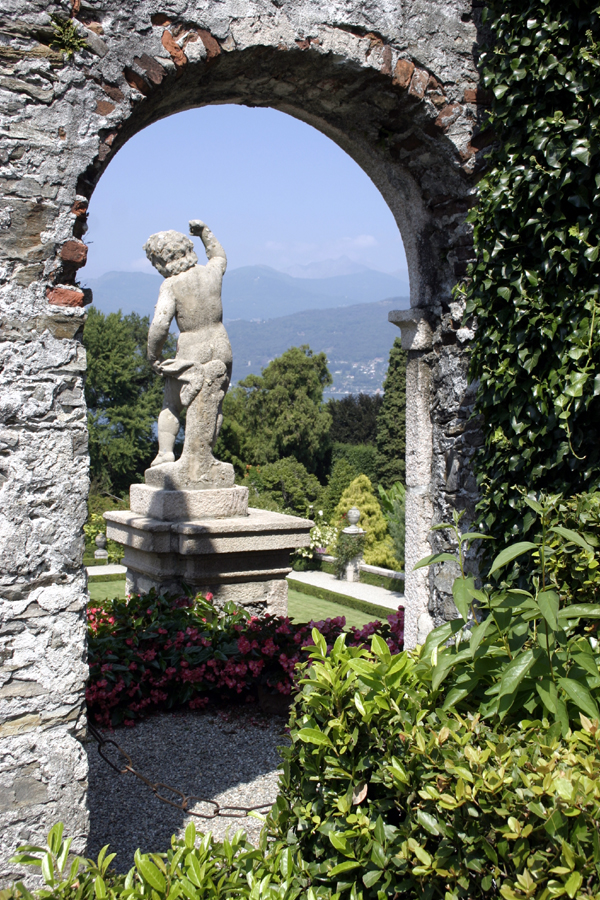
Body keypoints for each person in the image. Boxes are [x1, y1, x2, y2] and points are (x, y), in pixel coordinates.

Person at [143, 220, 234, 490]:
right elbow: (219, 257)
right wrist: (205, 233)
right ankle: (206, 455)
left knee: (172, 404)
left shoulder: (172, 285)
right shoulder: (211, 273)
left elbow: (160, 325)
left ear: (162, 261)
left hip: (192, 349)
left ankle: (165, 454)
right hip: (221, 345)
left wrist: (153, 356)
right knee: (214, 403)